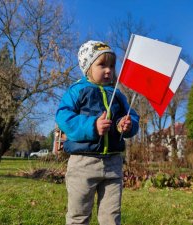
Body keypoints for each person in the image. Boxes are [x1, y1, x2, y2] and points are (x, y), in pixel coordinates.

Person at [56, 40, 140, 225]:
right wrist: (92, 126)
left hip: (113, 164)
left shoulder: (117, 95)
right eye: (102, 65)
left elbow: (131, 117)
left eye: (111, 65)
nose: (109, 70)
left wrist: (125, 125)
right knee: (79, 216)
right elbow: (63, 117)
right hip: (83, 163)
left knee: (111, 217)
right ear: (87, 68)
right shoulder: (77, 90)